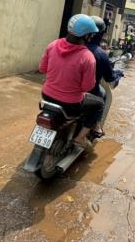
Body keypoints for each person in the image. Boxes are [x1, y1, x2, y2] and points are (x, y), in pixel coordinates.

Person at [38, 14, 104, 147]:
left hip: (46, 96)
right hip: (71, 104)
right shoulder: (87, 57)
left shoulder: (52, 45)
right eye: (90, 34)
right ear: (86, 36)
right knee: (99, 104)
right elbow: (87, 87)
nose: (91, 37)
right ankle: (80, 138)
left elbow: (42, 69)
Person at [87, 16, 123, 135]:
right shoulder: (99, 54)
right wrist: (117, 75)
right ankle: (96, 126)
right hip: (82, 90)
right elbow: (109, 78)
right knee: (102, 95)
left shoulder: (64, 45)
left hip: (54, 88)